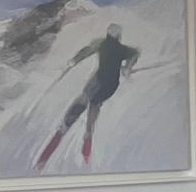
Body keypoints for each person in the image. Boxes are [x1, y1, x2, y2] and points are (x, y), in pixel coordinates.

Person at [34, 23, 140, 168]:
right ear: (119, 36)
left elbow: (86, 51)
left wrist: (74, 60)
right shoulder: (122, 49)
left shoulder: (101, 43)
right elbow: (135, 53)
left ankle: (66, 126)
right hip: (111, 86)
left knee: (85, 98)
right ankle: (88, 133)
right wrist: (128, 67)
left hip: (99, 80)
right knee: (95, 103)